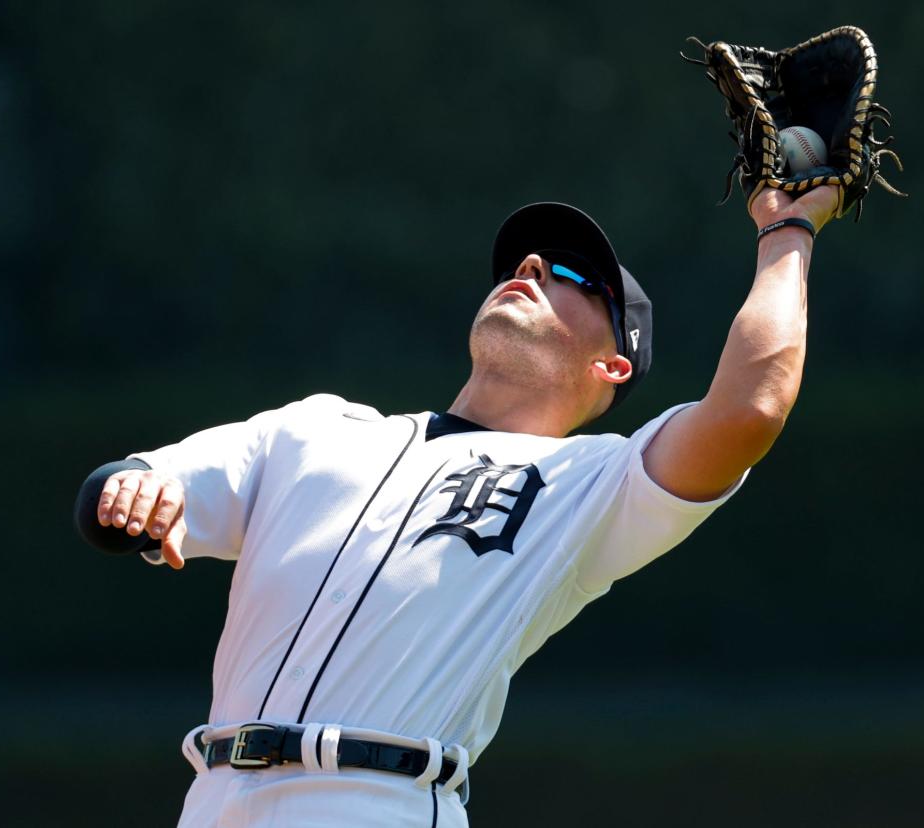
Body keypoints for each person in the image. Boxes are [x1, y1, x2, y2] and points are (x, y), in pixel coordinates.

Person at [73, 186, 838, 828]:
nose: (530, 266)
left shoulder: (586, 484)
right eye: (521, 262)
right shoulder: (311, 429)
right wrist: (135, 491)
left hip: (381, 802)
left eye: (569, 273)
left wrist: (786, 232)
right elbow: (128, 488)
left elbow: (749, 410)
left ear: (614, 363)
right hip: (210, 798)